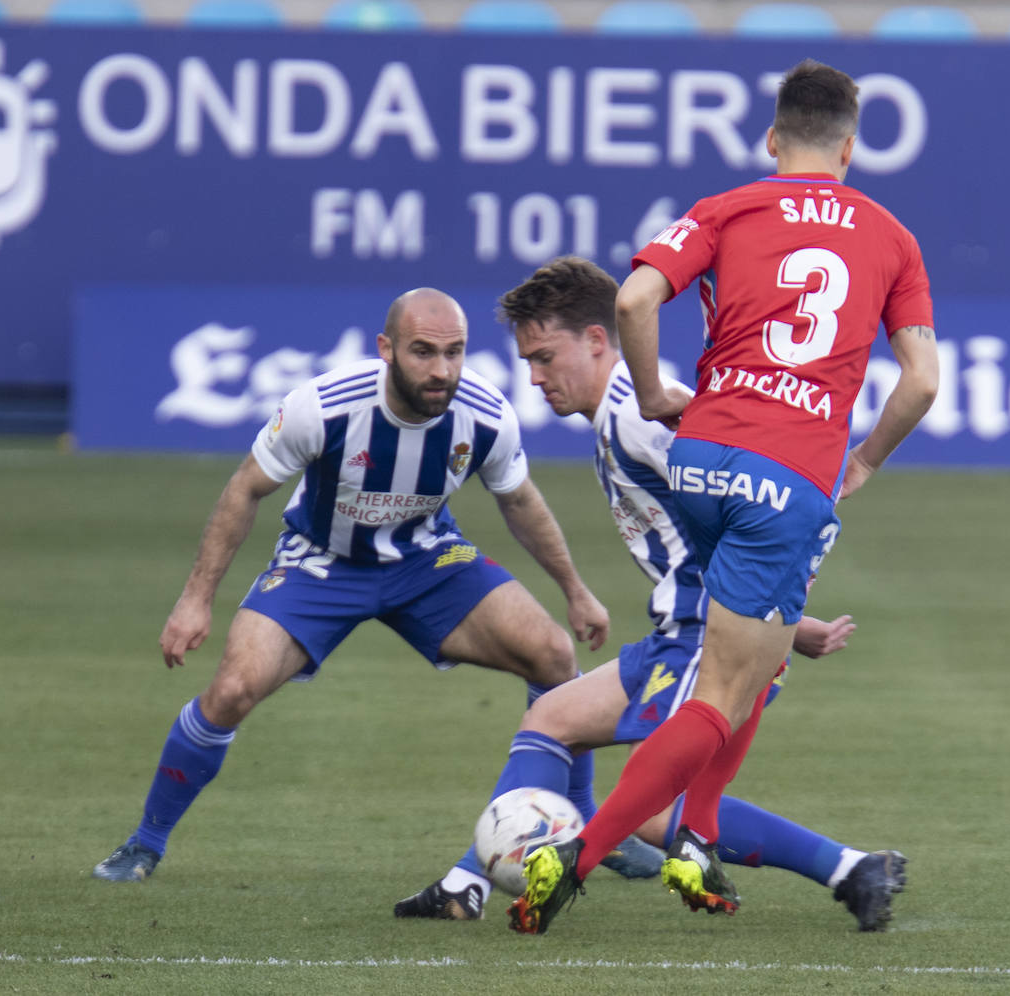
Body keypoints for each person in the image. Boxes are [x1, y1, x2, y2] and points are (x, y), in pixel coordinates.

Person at [510, 60, 939, 934]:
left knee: (759, 661)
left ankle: (698, 840)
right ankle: (578, 860)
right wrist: (864, 461)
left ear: (774, 140)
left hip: (705, 458)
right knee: (721, 692)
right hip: (790, 478)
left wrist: (657, 389)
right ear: (851, 147)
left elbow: (634, 296)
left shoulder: (728, 208)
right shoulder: (891, 236)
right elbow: (922, 383)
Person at [396, 256, 898, 932]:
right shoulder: (620, 415)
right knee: (550, 720)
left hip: (705, 631)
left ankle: (848, 868)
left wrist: (774, 614)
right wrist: (789, 622)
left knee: (659, 811)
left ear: (599, 341)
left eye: (546, 358)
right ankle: (466, 885)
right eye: (528, 362)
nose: (536, 378)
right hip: (682, 628)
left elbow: (752, 498)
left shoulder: (642, 416)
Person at [92, 287, 612, 882]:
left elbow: (519, 500)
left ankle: (588, 825)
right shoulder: (325, 407)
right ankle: (144, 843)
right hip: (321, 562)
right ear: (386, 349)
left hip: (427, 559)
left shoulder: (485, 414)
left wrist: (575, 589)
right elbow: (245, 489)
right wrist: (195, 599)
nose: (442, 370)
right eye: (423, 351)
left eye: (455, 352)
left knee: (552, 654)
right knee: (233, 689)